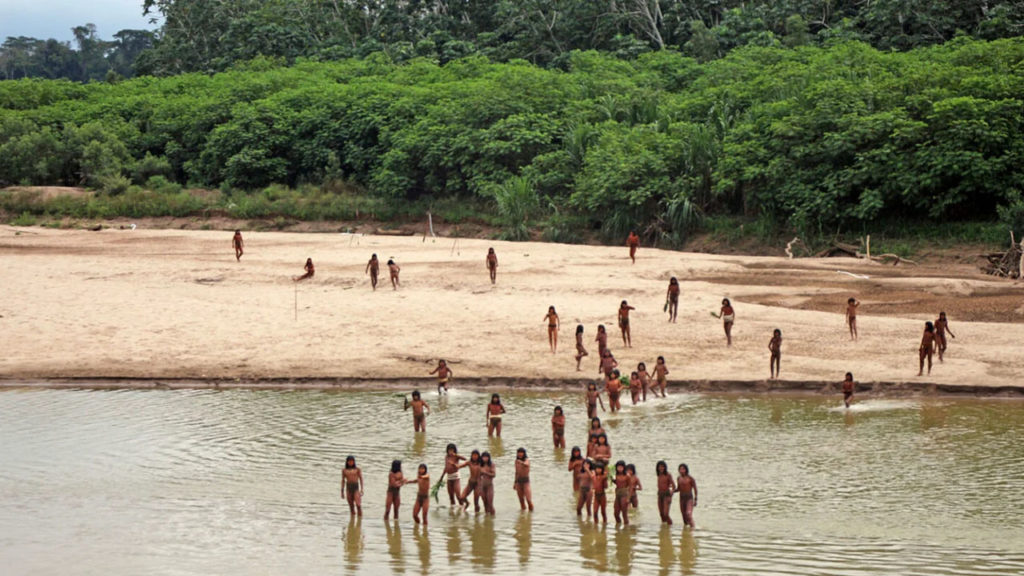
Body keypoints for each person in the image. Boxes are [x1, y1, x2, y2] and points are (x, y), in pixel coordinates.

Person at [676, 463, 698, 528]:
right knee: (684, 516)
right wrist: (672, 491)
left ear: (686, 470)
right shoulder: (679, 478)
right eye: (680, 469)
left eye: (683, 469)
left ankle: (693, 528)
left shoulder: (690, 478)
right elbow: (679, 488)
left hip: (689, 498)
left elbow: (695, 489)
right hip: (682, 498)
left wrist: (696, 499)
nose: (681, 470)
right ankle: (686, 532)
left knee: (688, 514)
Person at [612, 461, 631, 525]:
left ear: (624, 467)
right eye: (618, 467)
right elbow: (617, 483)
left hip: (624, 494)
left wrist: (628, 498)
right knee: (616, 513)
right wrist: (612, 480)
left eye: (621, 467)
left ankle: (626, 529)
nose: (619, 468)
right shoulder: (615, 475)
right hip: (617, 494)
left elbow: (630, 487)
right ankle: (618, 525)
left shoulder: (627, 476)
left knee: (624, 513)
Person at [479, 452, 496, 516]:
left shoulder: (491, 465)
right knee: (485, 503)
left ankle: (492, 518)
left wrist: (485, 472)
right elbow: (478, 476)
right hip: (482, 486)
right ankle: (487, 519)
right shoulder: (480, 465)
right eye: (483, 457)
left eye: (486, 457)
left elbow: (494, 474)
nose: (485, 458)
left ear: (489, 458)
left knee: (490, 503)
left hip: (489, 486)